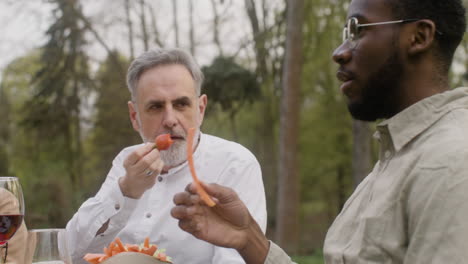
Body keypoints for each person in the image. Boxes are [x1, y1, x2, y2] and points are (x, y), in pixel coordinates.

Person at [171, 0, 468, 263]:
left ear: (419, 37)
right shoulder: (399, 156)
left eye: (358, 29)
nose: (339, 52)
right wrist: (249, 238)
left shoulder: (450, 163)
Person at [66, 48, 267, 264]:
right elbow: (71, 253)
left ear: (200, 109)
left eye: (181, 104)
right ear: (135, 117)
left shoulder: (235, 163)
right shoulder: (126, 161)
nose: (170, 119)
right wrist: (125, 191)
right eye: (155, 107)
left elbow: (235, 260)